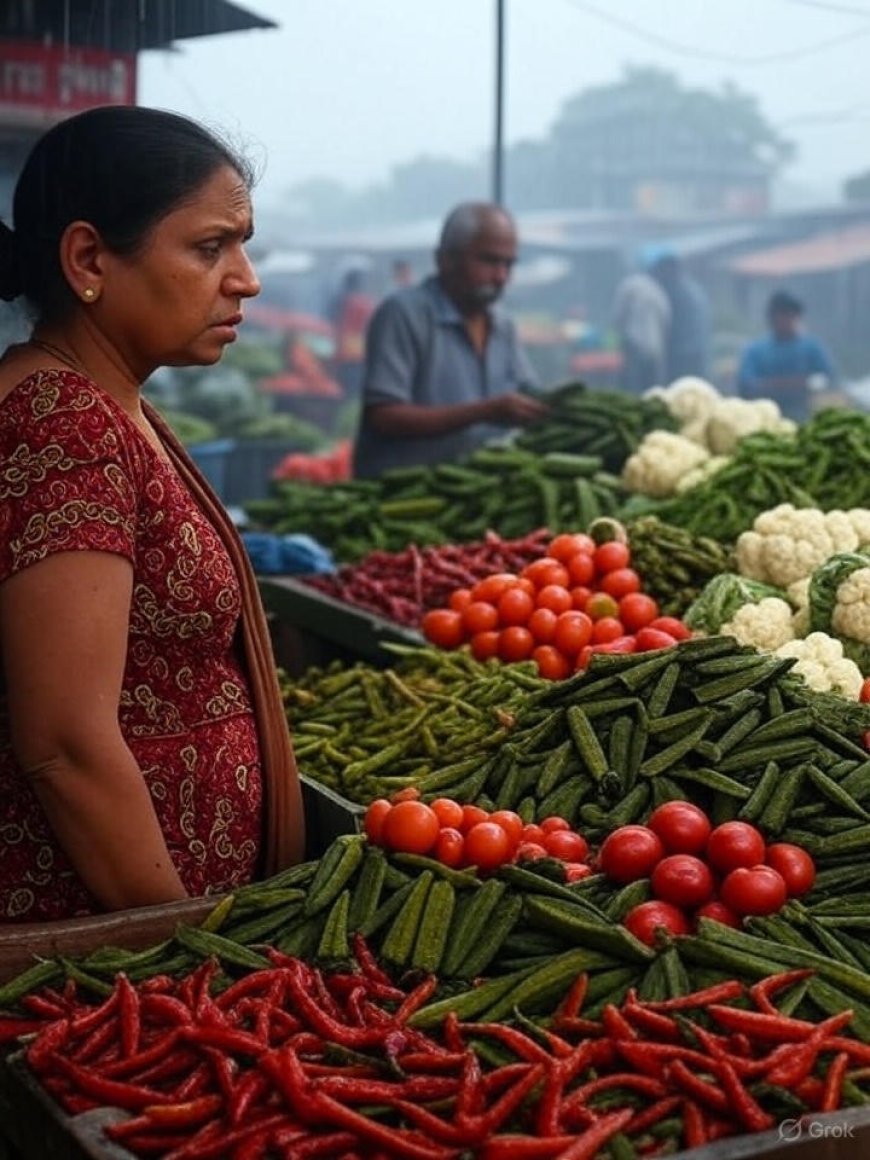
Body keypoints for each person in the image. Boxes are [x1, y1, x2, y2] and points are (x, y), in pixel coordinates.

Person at [0, 106, 304, 923]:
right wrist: (187, 948)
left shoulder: (104, 398)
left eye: (241, 244)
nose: (246, 277)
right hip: (103, 956)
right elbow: (65, 746)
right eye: (210, 247)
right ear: (88, 257)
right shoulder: (63, 422)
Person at [353, 202, 547, 479]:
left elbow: (527, 392)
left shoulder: (503, 326)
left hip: (473, 495)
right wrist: (485, 411)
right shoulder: (403, 314)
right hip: (401, 500)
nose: (501, 276)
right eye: (489, 261)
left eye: (509, 264)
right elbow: (385, 416)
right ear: (446, 259)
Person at [737, 290, 836, 422]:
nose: (785, 320)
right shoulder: (756, 350)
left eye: (790, 315)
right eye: (780, 315)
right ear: (771, 318)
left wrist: (807, 384)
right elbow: (746, 384)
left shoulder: (811, 347)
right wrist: (784, 384)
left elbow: (827, 378)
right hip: (763, 418)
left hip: (804, 415)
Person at [611, 257, 671, 394]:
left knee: (633, 386)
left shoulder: (628, 285)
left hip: (634, 342)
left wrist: (620, 335)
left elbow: (618, 315)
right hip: (656, 345)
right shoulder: (657, 289)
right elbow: (666, 319)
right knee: (653, 389)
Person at [650, 251, 711, 381]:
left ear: (668, 269)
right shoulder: (692, 287)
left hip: (682, 353)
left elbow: (670, 325)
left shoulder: (675, 291)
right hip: (698, 351)